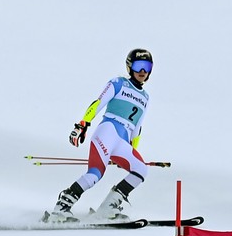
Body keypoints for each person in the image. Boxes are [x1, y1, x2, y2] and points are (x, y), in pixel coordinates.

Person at [44, 48, 154, 222]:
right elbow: (97, 103)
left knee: (141, 170)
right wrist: (82, 124)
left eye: (147, 67)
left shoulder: (145, 97)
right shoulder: (118, 83)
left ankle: (107, 208)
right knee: (95, 174)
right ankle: (61, 208)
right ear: (129, 67)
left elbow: (137, 128)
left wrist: (131, 151)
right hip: (107, 132)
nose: (142, 71)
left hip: (121, 142)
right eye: (139, 65)